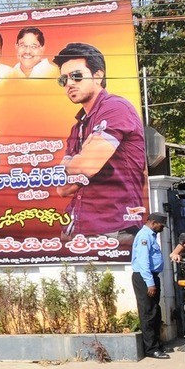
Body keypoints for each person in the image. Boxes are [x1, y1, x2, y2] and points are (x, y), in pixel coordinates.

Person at [52, 42, 147, 236]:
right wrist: (79, 163)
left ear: (98, 75)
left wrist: (76, 163)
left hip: (115, 231)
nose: (69, 83)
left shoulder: (116, 108)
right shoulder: (78, 126)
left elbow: (87, 166)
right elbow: (62, 188)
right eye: (64, 79)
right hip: (77, 230)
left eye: (76, 76)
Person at [131, 213, 168, 359]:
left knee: (155, 311)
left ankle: (156, 344)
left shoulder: (151, 235)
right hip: (144, 279)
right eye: (161, 225)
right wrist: (150, 283)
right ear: (153, 223)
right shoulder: (144, 237)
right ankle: (151, 349)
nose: (162, 228)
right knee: (148, 313)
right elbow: (143, 262)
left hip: (151, 277)